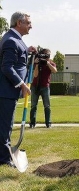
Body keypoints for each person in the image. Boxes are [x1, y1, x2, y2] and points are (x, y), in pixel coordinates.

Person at [0, 11, 36, 167]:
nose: (31, 26)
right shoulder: (10, 40)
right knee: (5, 126)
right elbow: (7, 67)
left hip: (8, 91)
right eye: (28, 23)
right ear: (19, 23)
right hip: (6, 91)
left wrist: (26, 51)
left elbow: (16, 59)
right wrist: (21, 84)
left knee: (5, 125)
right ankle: (4, 159)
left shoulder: (14, 39)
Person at [29, 48, 57, 128]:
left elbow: (55, 71)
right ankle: (32, 123)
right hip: (35, 86)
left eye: (48, 55)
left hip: (45, 86)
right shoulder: (37, 63)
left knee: (47, 105)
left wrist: (48, 63)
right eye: (45, 55)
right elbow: (35, 75)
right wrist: (37, 65)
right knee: (33, 105)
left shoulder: (51, 63)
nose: (47, 57)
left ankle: (48, 123)